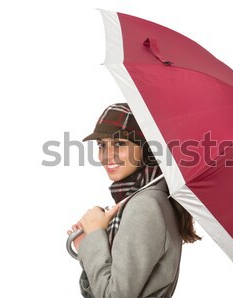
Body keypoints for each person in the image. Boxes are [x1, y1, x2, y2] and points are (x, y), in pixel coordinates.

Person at [67, 103, 201, 298]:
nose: (107, 155)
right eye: (101, 145)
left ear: (145, 148)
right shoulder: (142, 198)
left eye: (120, 144)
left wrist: (95, 234)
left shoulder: (145, 205)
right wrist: (89, 246)